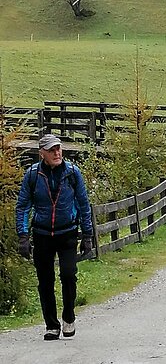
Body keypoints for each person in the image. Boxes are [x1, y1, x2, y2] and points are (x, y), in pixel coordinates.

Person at [16, 134, 93, 341]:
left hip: (67, 232)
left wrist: (87, 235)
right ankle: (51, 325)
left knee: (68, 275)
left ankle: (69, 316)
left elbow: (84, 204)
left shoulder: (72, 173)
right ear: (42, 153)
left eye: (58, 148)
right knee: (45, 281)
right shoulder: (32, 175)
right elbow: (23, 206)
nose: (57, 153)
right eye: (52, 150)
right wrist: (23, 236)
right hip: (42, 235)